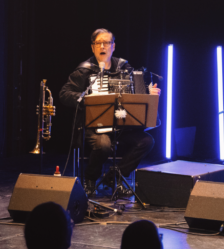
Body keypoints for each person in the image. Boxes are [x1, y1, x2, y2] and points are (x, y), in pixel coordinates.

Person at [58, 28, 161, 195]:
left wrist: (150, 94)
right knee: (103, 145)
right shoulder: (85, 70)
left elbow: (138, 95)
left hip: (122, 126)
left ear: (113, 46)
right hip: (95, 126)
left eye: (106, 43)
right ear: (92, 47)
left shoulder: (125, 68)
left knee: (146, 141)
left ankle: (114, 178)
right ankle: (90, 180)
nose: (102, 46)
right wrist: (86, 98)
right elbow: (64, 94)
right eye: (98, 43)